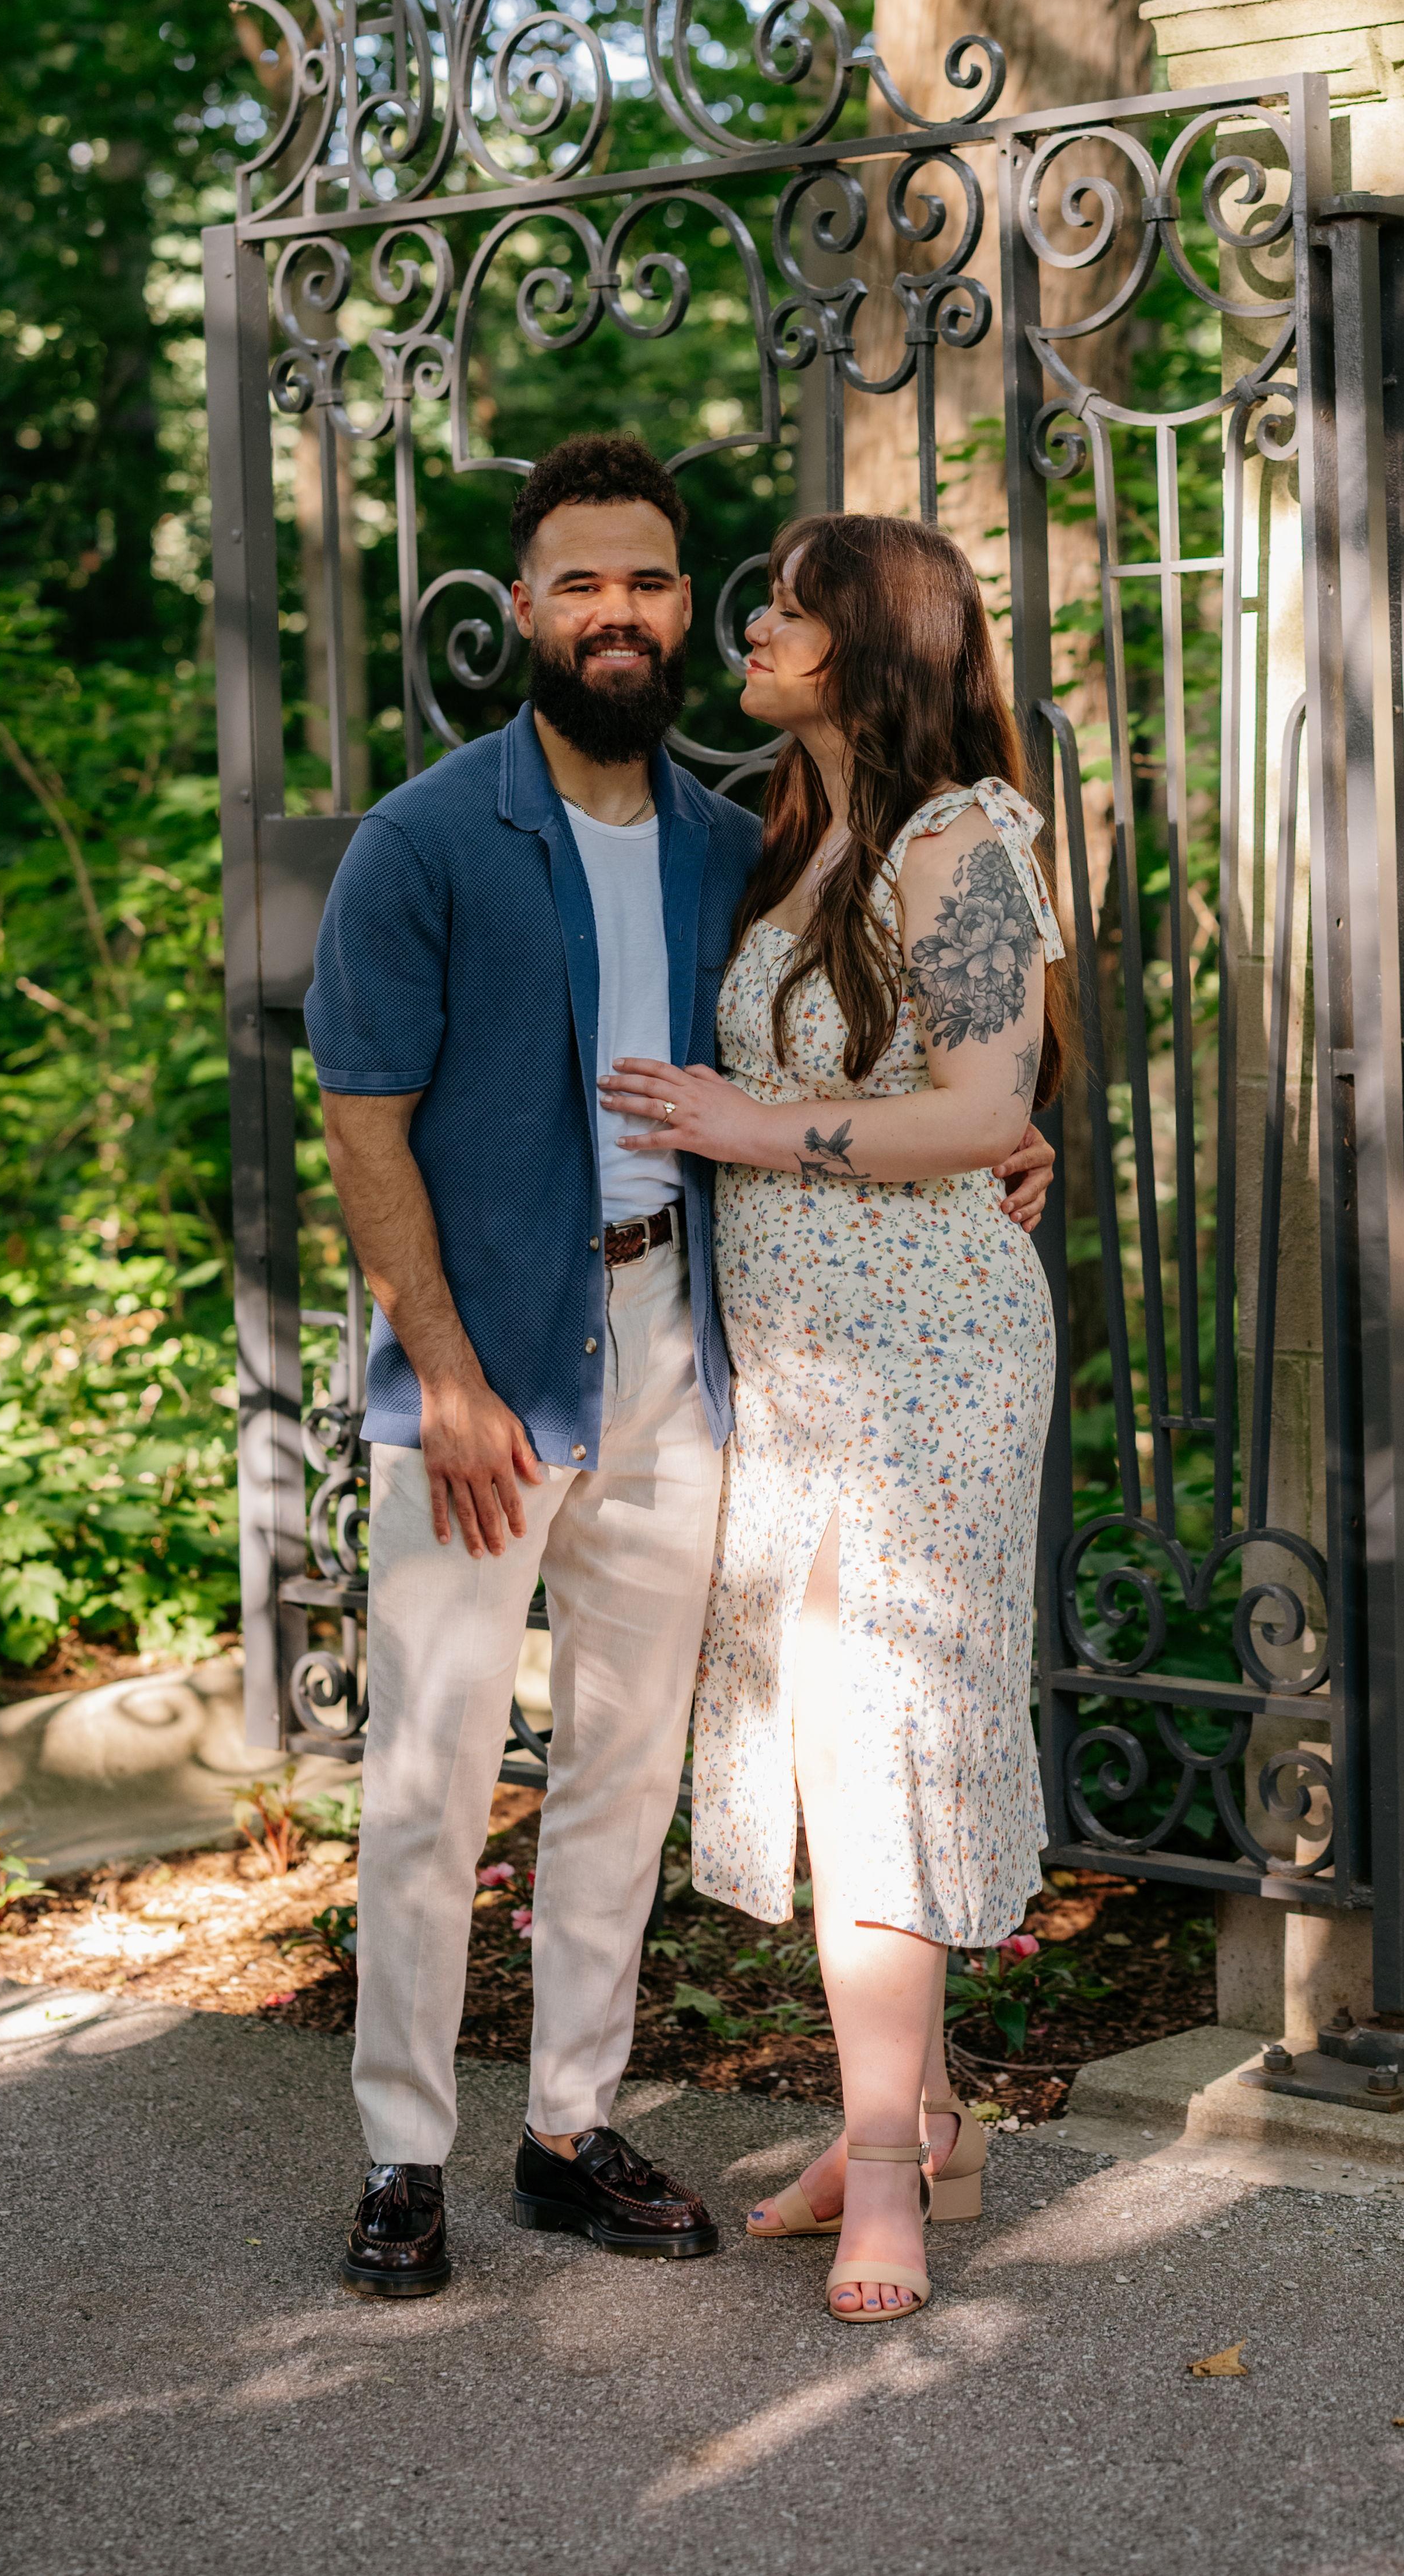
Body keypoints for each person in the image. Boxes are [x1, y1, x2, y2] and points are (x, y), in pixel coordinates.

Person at [303, 437, 1054, 2302]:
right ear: (520, 609)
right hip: (489, 1376)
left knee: (625, 1767)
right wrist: (446, 1374)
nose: (625, 616)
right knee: (429, 1767)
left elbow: (903, 1054)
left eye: (653, 583)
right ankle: (405, 2156)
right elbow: (361, 1120)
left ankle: (570, 2126)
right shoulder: (425, 839)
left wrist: (1001, 1142)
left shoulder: (752, 838)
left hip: (694, 1363)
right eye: (583, 584)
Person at [601, 512, 1070, 2326]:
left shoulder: (957, 840)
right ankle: (927, 2121)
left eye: (794, 605)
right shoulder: (803, 835)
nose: (757, 623)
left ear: (873, 642)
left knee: (877, 1734)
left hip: (927, 1357)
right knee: (831, 1739)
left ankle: (885, 2170)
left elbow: (976, 1111)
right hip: (797, 1361)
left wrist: (743, 1128)